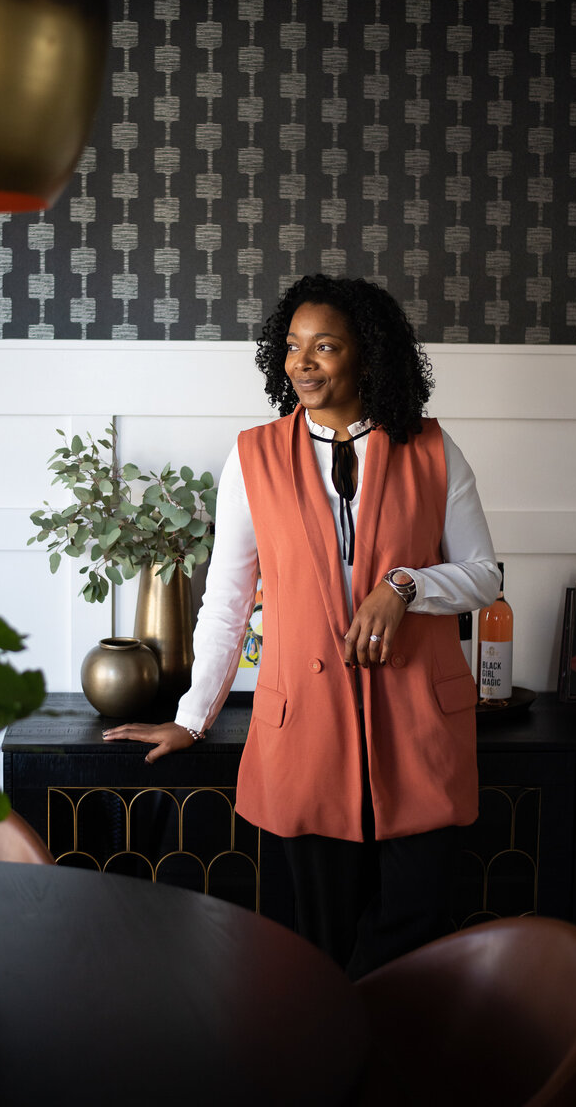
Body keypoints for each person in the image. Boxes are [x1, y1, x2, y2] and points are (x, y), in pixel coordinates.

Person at [103, 274, 499, 979]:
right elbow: (226, 598)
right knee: (317, 943)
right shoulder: (252, 457)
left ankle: (395, 1066)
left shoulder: (435, 450)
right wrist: (194, 719)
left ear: (368, 358)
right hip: (305, 731)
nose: (303, 363)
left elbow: (483, 574)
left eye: (325, 347)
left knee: (417, 931)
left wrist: (405, 586)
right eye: (292, 347)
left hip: (419, 728)